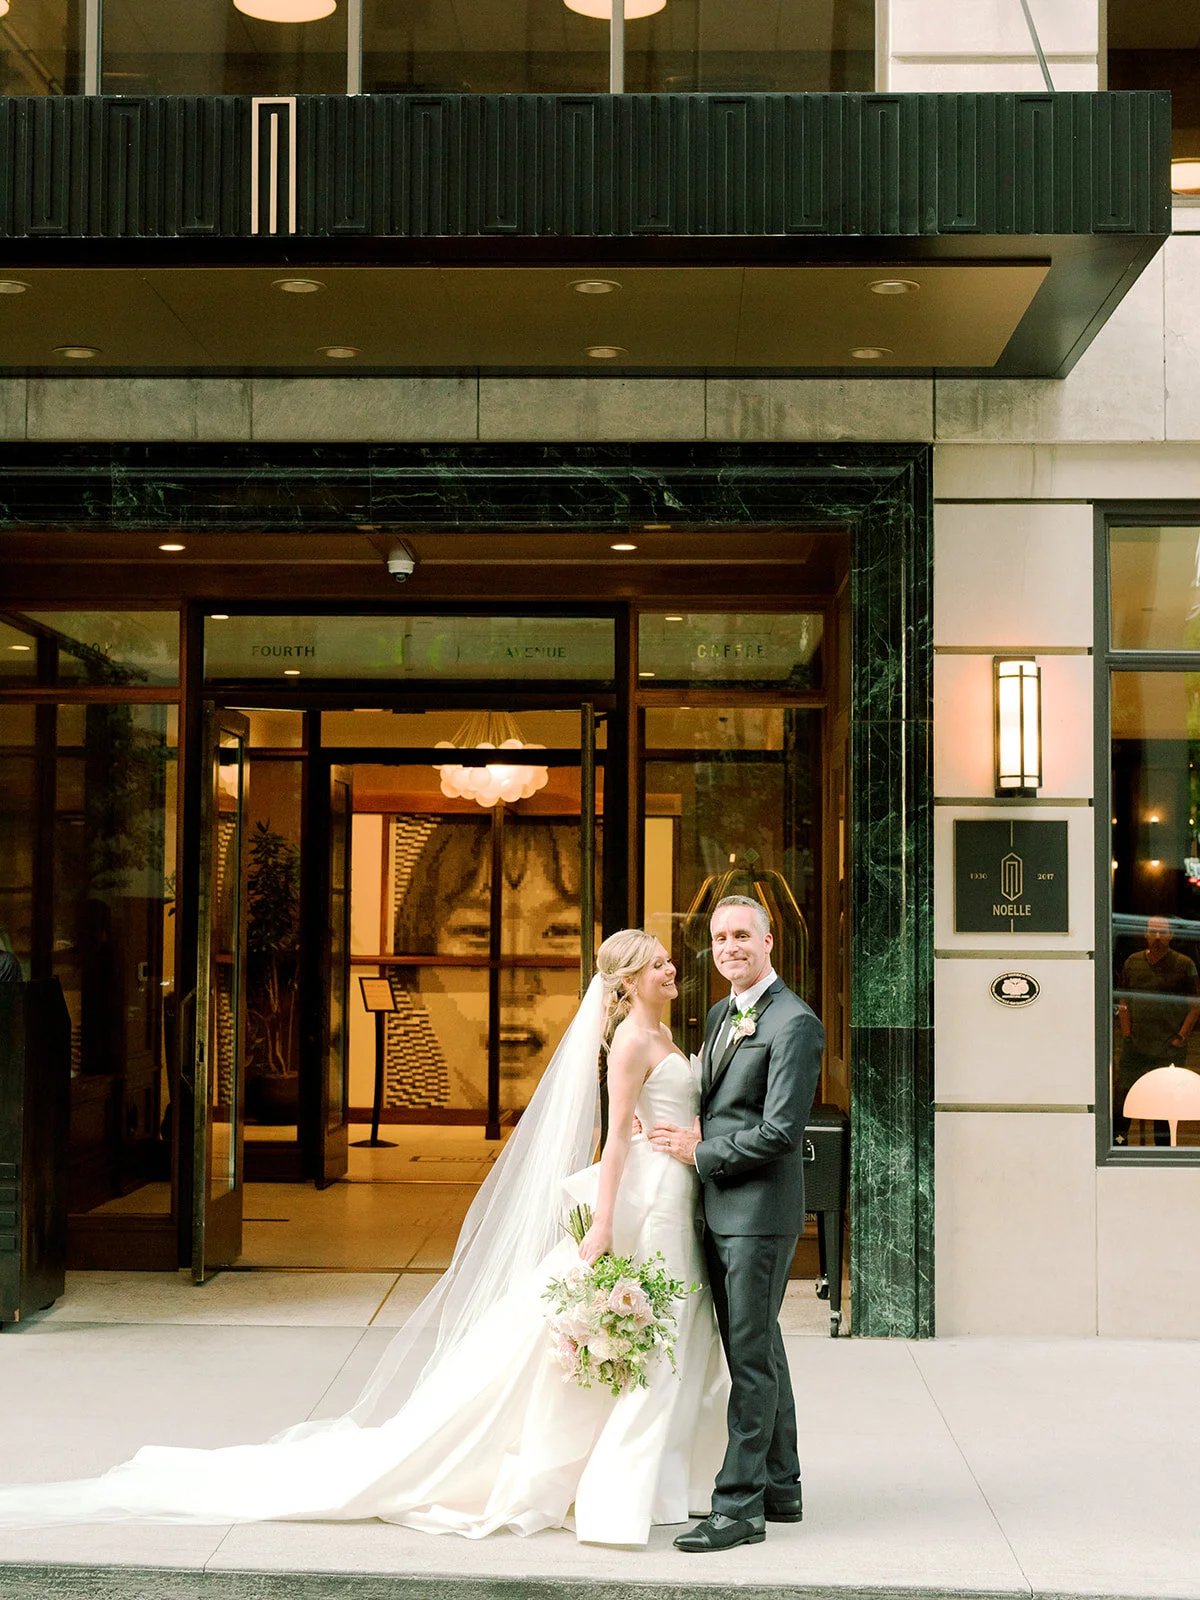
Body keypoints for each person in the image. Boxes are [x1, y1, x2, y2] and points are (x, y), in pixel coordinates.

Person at [0, 929, 728, 1545]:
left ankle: (653, 1478)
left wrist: (693, 1134)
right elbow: (612, 1141)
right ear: (631, 979)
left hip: (675, 1186)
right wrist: (600, 1223)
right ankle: (624, 1492)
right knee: (649, 1333)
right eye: (660, 962)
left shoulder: (666, 1032)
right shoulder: (631, 1042)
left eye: (668, 960)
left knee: (664, 1331)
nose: (673, 968)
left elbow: (648, 1119)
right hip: (646, 1199)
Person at [649, 894, 824, 1554]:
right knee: (760, 1347)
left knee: (748, 1360)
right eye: (721, 938)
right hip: (720, 1207)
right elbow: (720, 1105)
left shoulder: (793, 1023)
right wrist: (680, 1131)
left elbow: (781, 1131)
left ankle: (738, 1507)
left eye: (742, 936)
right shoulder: (723, 1013)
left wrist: (701, 1153)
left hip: (758, 1214)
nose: (730, 947)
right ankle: (782, 1485)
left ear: (769, 941)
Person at [1115, 915, 1200, 1146]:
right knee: (1122, 1102)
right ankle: (1118, 1149)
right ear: (1145, 934)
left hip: (1168, 1050)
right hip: (1135, 1047)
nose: (1158, 937)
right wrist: (1126, 1034)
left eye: (1163, 932)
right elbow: (1123, 1001)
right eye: (1153, 931)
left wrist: (1180, 1038)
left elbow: (1195, 1005)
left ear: (1172, 935)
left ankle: (1163, 1155)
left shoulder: (1184, 964)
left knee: (1164, 1106)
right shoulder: (1132, 962)